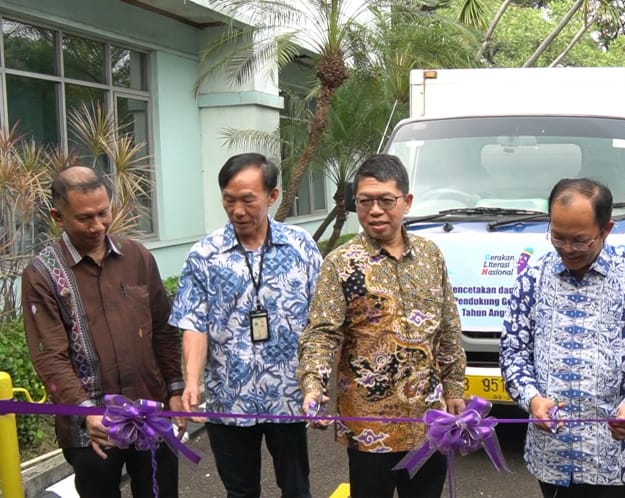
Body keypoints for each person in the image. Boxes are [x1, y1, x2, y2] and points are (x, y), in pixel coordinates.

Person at [297, 154, 466, 498]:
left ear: (406, 202)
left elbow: (448, 326)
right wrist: (313, 384)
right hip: (369, 427)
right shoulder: (341, 264)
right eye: (365, 201)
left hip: (428, 421)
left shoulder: (431, 255)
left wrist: (455, 388)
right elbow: (321, 333)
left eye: (386, 201)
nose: (375, 210)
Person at [500, 178, 625, 498]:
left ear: (605, 230)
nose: (567, 249)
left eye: (579, 241)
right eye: (558, 237)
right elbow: (514, 351)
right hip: (552, 454)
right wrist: (532, 398)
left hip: (616, 460)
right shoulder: (532, 280)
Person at [22, 166, 183, 497]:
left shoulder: (136, 256)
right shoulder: (43, 275)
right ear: (58, 216)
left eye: (103, 213)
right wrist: (85, 410)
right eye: (84, 218)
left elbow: (163, 331)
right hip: (92, 428)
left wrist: (175, 388)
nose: (97, 226)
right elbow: (49, 355)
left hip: (149, 413)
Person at [169, 153, 321, 498]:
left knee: (297, 488)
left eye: (248, 200)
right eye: (229, 200)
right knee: (240, 491)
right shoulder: (204, 255)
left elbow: (322, 323)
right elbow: (194, 324)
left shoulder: (301, 247)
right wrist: (191, 382)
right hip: (228, 398)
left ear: (272, 196)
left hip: (288, 396)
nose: (238, 210)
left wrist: (321, 381)